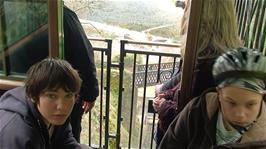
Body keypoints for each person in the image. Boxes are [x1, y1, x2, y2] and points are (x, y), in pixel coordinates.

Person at [152, 0, 243, 146]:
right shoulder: (228, 61)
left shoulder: (204, 68)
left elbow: (186, 123)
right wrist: (166, 93)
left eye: (187, 8)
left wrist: (163, 105)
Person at [8, 5, 99, 142]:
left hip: (22, 91)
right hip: (58, 87)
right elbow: (83, 55)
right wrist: (90, 94)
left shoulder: (10, 13)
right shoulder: (60, 15)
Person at [158, 48, 266, 149]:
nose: (240, 114)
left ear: (262, 96)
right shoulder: (196, 111)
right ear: (219, 93)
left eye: (250, 104)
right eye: (231, 103)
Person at [0, 58, 83, 148]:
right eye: (52, 96)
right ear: (33, 96)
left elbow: (66, 142)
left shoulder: (55, 115)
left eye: (68, 96)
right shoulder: (18, 133)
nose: (61, 106)